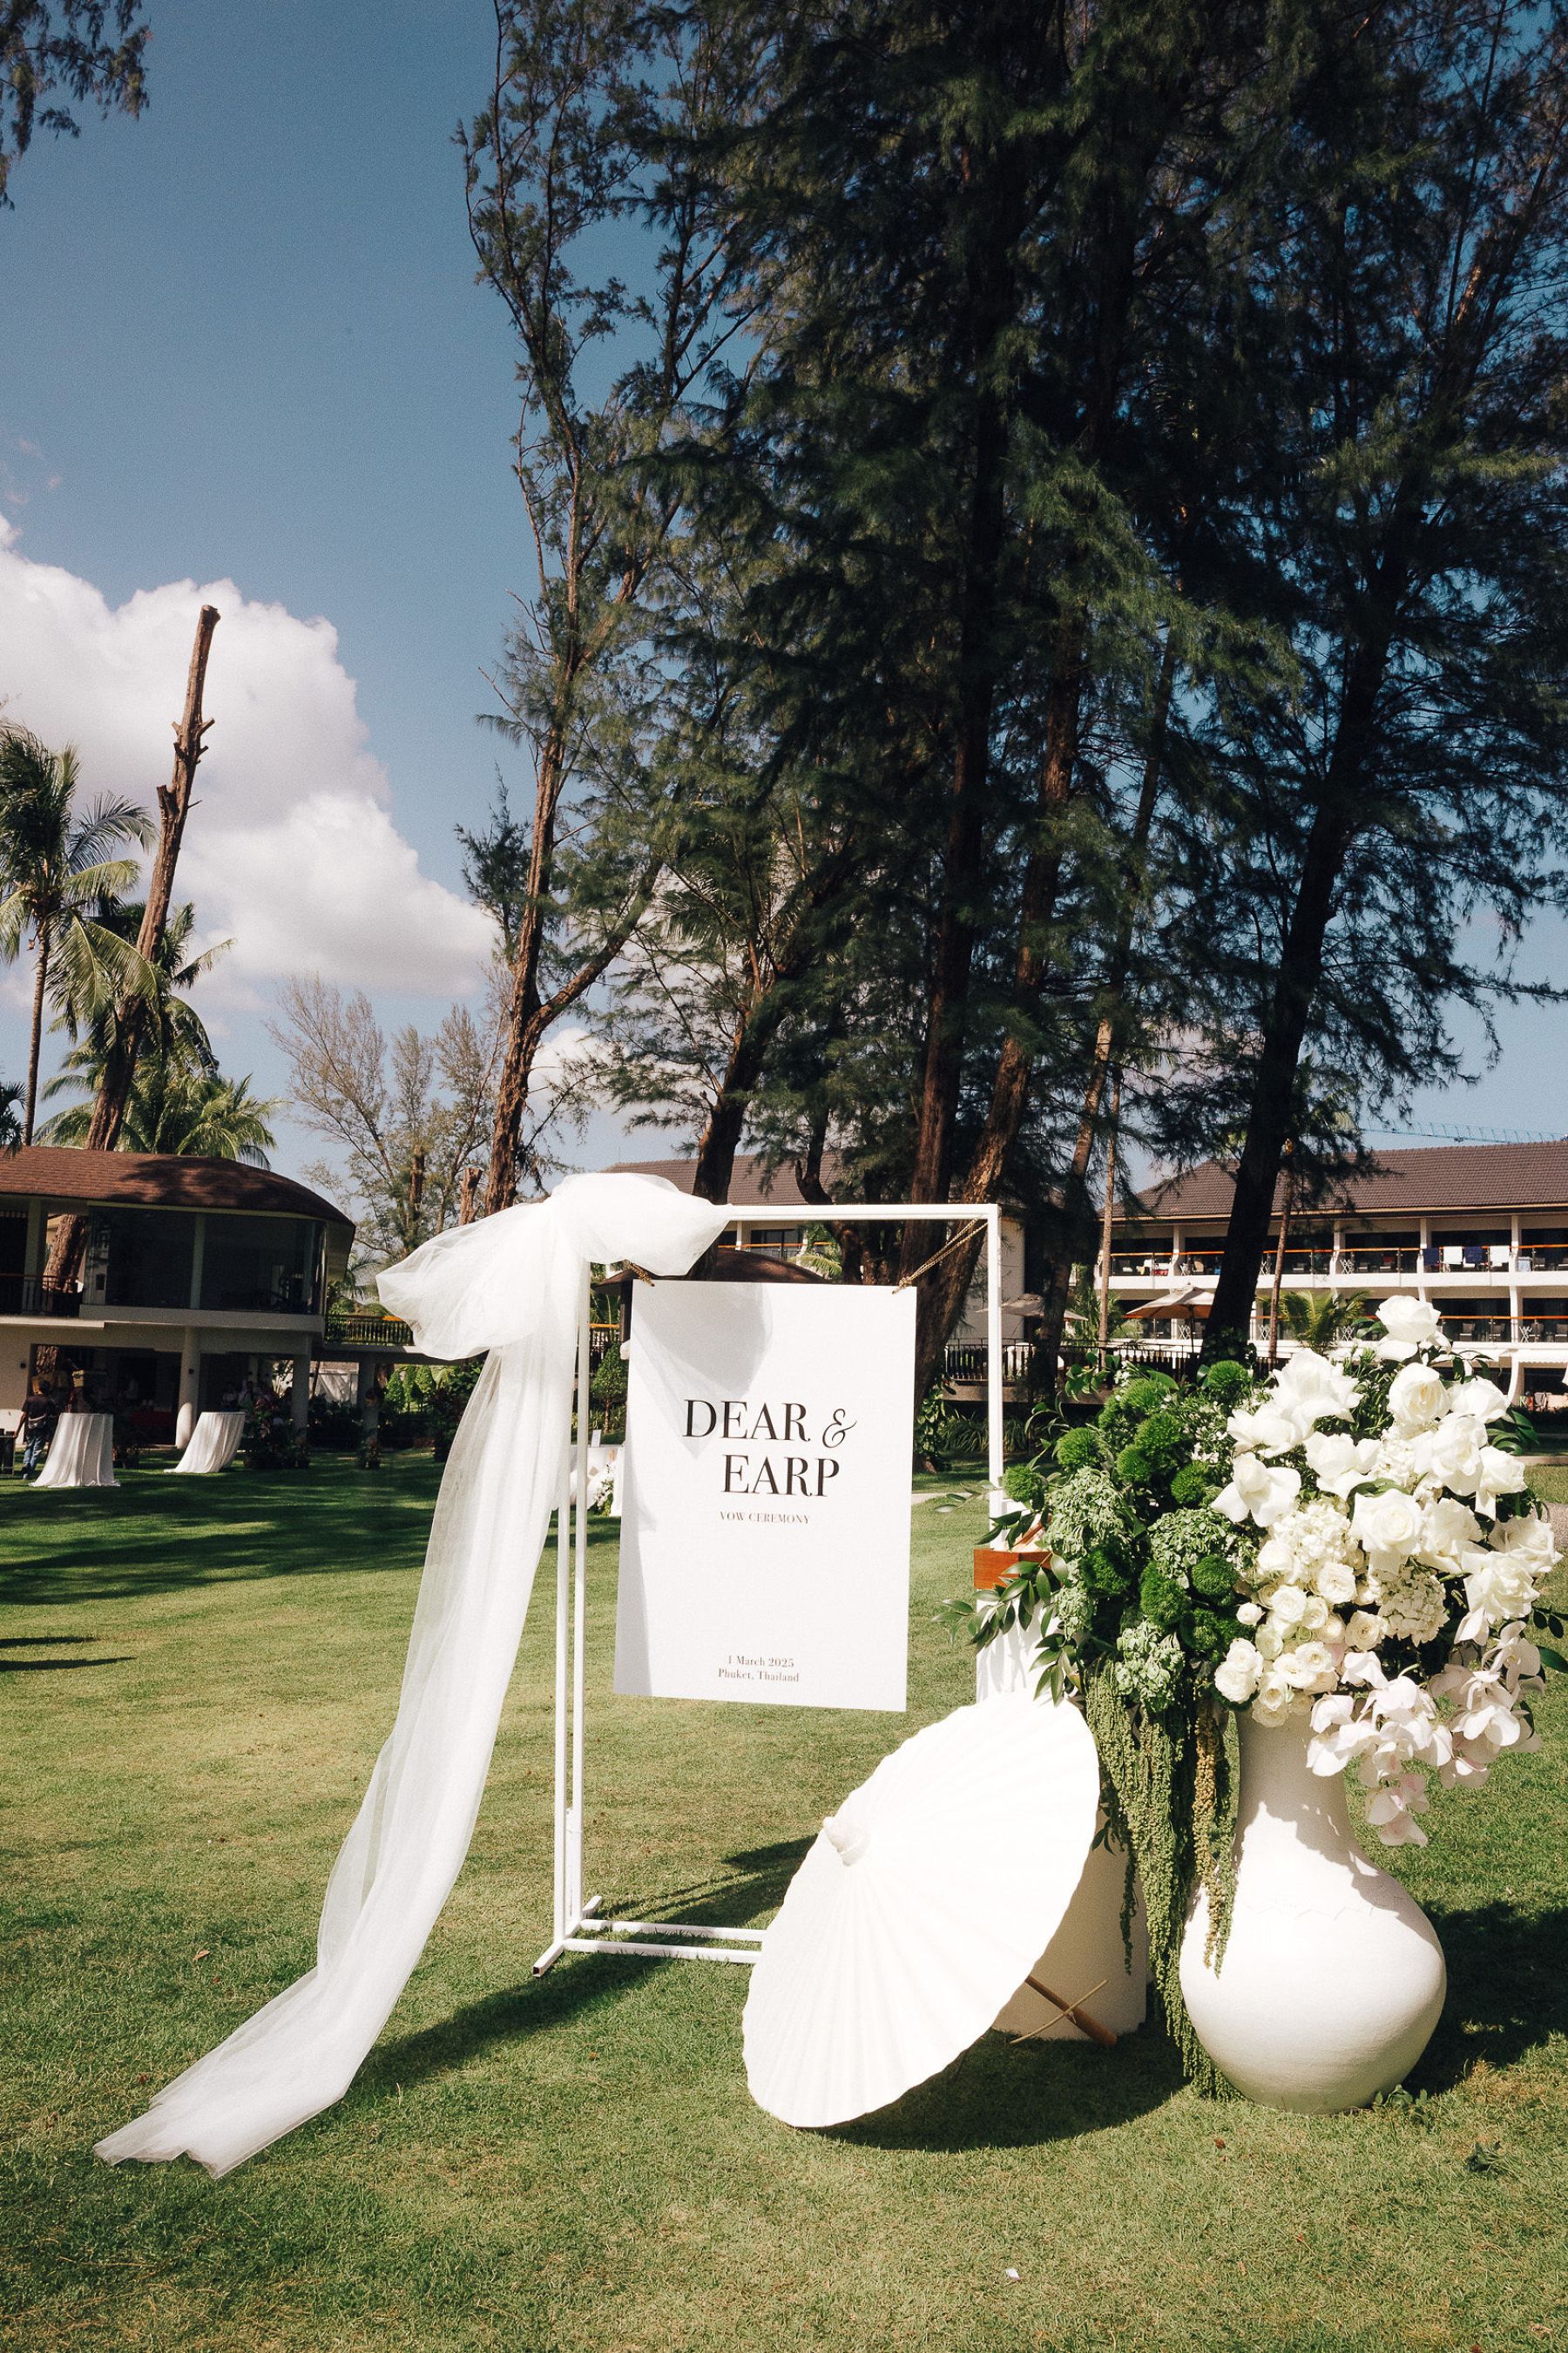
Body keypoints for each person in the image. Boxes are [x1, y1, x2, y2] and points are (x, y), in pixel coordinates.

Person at [21, 1381, 58, 1474]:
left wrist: (18, 1430)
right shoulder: (49, 1401)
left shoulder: (30, 1399)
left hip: (30, 1428)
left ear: (39, 1389)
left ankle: (26, 1463)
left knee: (29, 1447)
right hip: (42, 1428)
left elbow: (24, 1415)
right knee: (37, 1451)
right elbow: (54, 1415)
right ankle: (29, 1472)